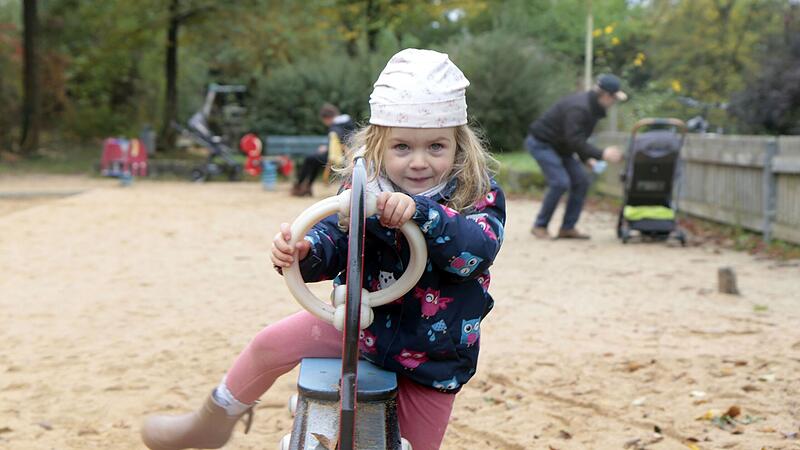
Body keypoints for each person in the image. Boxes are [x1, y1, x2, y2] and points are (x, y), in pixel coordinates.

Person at [141, 48, 506, 450]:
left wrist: (422, 213)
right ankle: (214, 418)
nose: (419, 162)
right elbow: (337, 237)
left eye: (436, 146)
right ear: (380, 144)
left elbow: (475, 254)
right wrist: (306, 251)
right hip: (358, 330)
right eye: (403, 147)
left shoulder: (476, 195)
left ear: (459, 145)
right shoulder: (366, 188)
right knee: (270, 344)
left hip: (432, 356)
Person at [526, 74, 626, 240]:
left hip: (561, 146)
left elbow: (575, 138)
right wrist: (602, 154)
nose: (614, 102)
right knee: (559, 182)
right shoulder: (580, 108)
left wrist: (587, 159)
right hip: (542, 143)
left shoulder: (594, 108)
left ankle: (567, 228)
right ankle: (540, 226)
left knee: (581, 181)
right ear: (607, 95)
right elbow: (574, 140)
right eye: (614, 98)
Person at [290, 103, 356, 197]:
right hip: (348, 154)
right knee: (314, 159)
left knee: (310, 159)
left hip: (338, 156)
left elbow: (339, 139)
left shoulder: (335, 126)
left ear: (327, 118)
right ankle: (306, 187)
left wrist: (329, 148)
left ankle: (300, 186)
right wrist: (327, 147)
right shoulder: (347, 122)